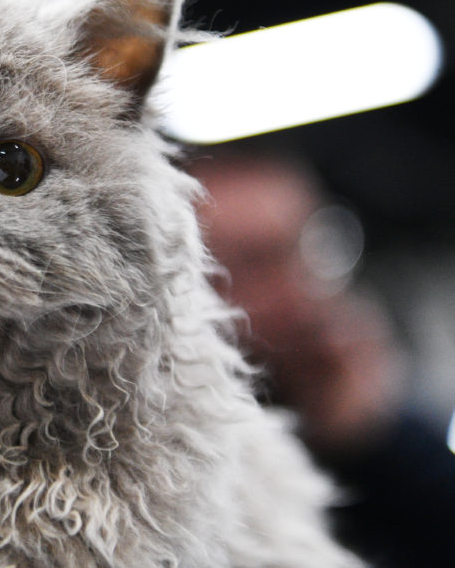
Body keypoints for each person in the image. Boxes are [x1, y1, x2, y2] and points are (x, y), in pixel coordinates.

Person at [190, 147, 455, 567]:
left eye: (306, 247)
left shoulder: (354, 405)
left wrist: (374, 440)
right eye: (257, 265)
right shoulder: (181, 475)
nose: (302, 288)